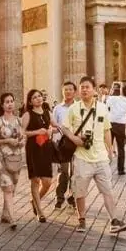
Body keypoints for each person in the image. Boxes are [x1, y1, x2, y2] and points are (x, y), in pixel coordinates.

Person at [65, 76, 126, 234]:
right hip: (82, 157)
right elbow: (65, 128)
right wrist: (74, 138)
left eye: (87, 87)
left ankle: (114, 221)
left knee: (107, 190)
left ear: (94, 89)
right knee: (80, 192)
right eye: (82, 87)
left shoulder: (102, 108)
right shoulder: (73, 108)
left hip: (100, 157)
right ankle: (81, 219)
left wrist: (110, 150)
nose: (84, 89)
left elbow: (107, 130)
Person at [0, 92, 24, 227]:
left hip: (17, 159)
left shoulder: (19, 120)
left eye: (11, 101)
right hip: (4, 160)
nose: (10, 104)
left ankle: (5, 214)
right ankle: (13, 218)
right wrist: (7, 140)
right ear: (2, 105)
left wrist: (21, 142)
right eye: (7, 102)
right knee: (8, 188)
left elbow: (23, 137)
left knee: (11, 188)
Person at [22, 88, 55, 222]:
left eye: (39, 96)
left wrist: (51, 130)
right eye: (34, 97)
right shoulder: (27, 114)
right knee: (35, 180)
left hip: (46, 148)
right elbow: (22, 132)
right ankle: (40, 211)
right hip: (33, 149)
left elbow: (55, 125)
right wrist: (37, 132)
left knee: (47, 182)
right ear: (30, 101)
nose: (38, 98)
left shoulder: (48, 112)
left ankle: (35, 201)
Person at [53, 81, 77, 209]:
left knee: (75, 171)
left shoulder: (79, 107)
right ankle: (59, 197)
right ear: (62, 91)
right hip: (62, 144)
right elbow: (53, 126)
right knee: (63, 172)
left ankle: (72, 197)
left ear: (74, 92)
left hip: (76, 144)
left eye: (70, 89)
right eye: (65, 89)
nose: (67, 91)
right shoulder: (58, 108)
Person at [106, 84, 126, 175]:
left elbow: (107, 103)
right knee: (121, 148)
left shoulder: (113, 98)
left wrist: (111, 91)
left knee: (107, 146)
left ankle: (104, 168)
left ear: (121, 91)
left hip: (110, 124)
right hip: (121, 126)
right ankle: (121, 169)